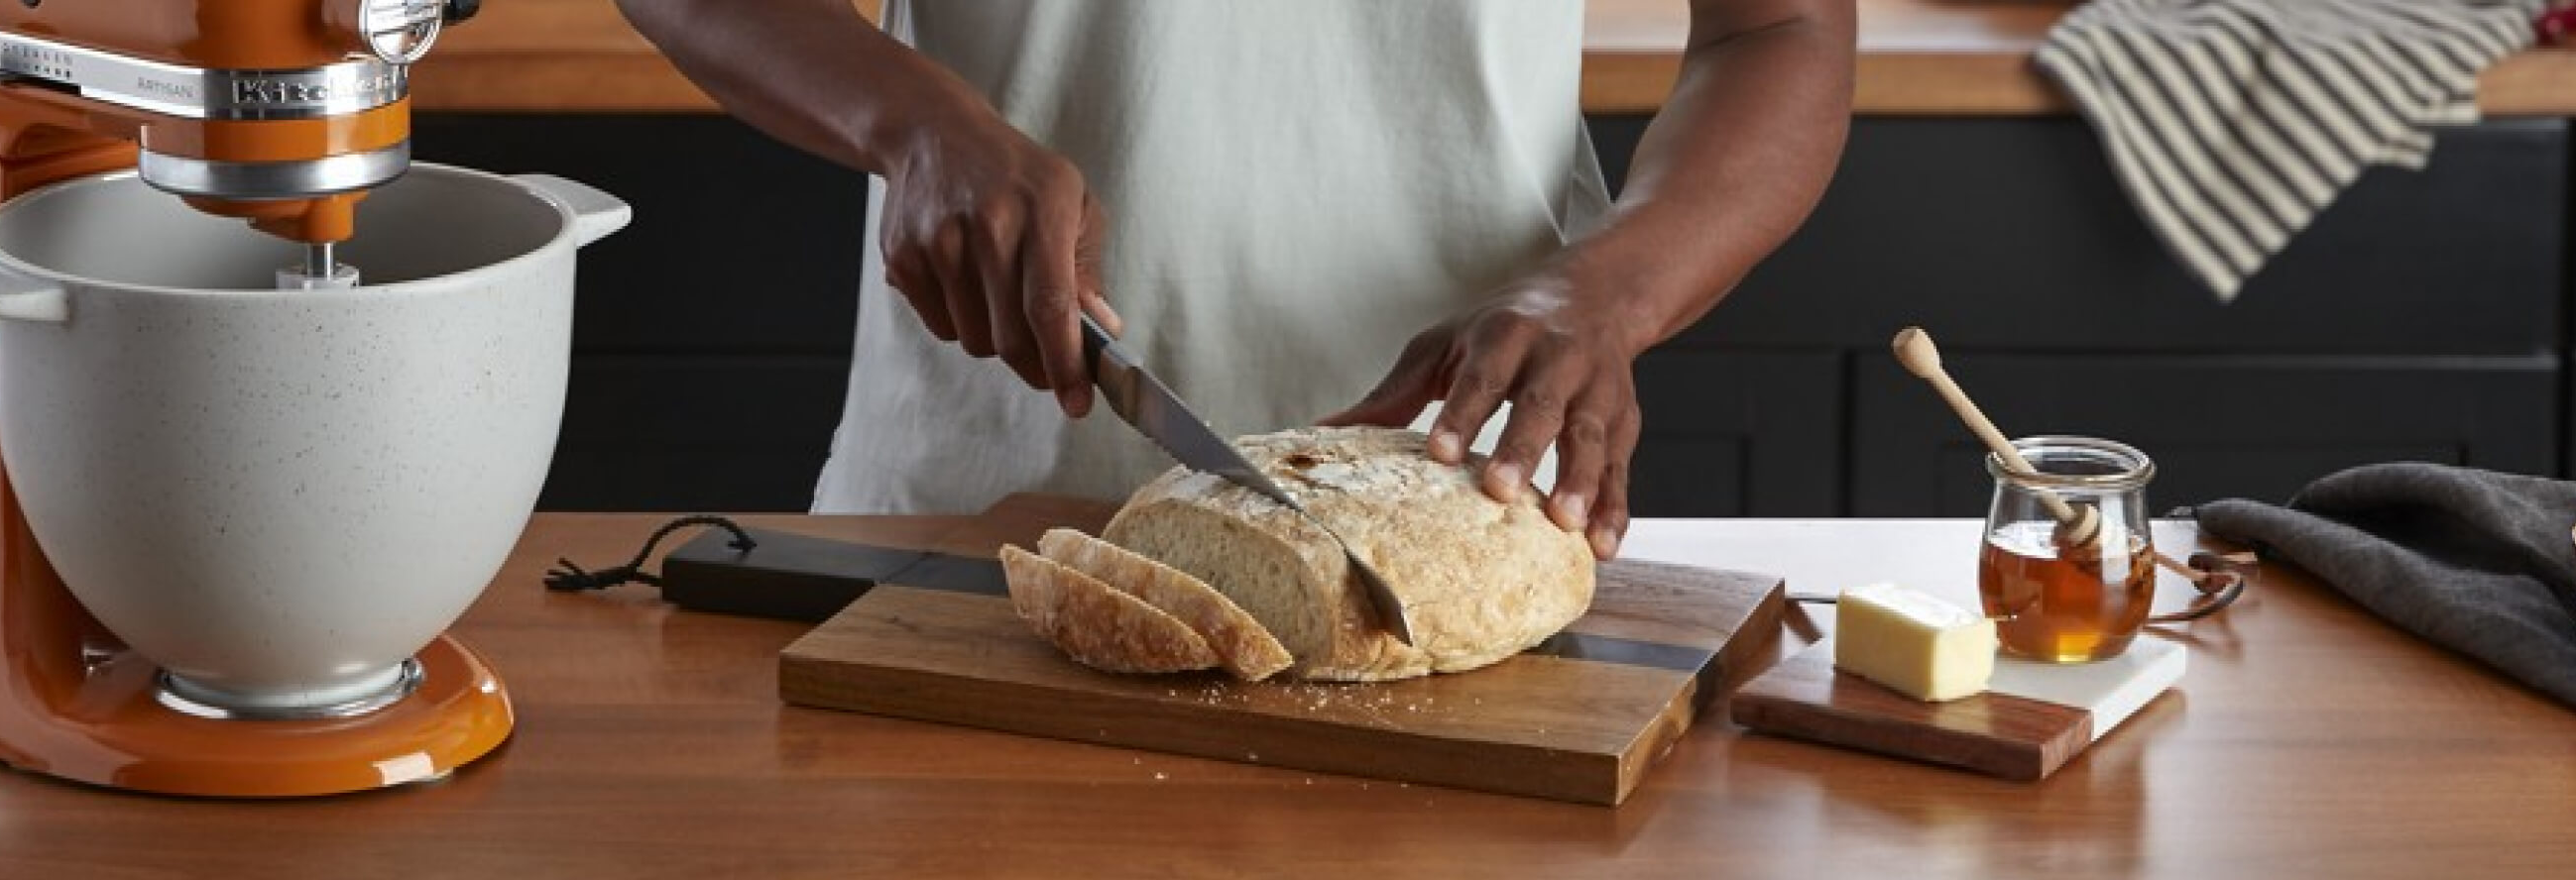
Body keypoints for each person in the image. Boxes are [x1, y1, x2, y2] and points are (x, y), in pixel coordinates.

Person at [619, 0, 1852, 559]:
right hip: (976, 516)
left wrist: (1608, 292)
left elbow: (1781, 28)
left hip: (1462, 517)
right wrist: (912, 121)